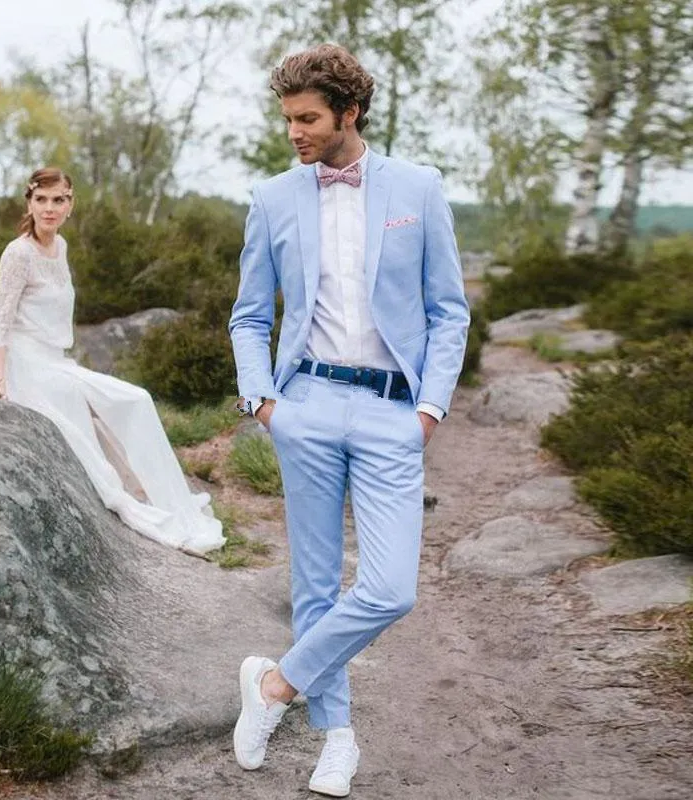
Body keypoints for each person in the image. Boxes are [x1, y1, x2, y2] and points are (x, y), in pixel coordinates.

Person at [229, 45, 469, 796]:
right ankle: (337, 736)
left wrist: (429, 408)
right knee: (316, 586)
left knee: (392, 588)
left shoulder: (418, 188)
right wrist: (263, 402)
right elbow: (246, 316)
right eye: (288, 120)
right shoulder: (272, 198)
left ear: (349, 114)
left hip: (394, 410)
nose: (294, 133)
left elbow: (448, 312)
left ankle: (275, 685)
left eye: (307, 120)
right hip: (305, 406)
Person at [0, 167, 224, 554]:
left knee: (137, 399)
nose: (49, 208)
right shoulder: (18, 253)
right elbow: (0, 321)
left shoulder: (59, 247)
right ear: (29, 202)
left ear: (70, 205)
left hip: (56, 360)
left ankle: (168, 497)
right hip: (27, 365)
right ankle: (136, 494)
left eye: (58, 199)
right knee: (89, 423)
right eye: (41, 199)